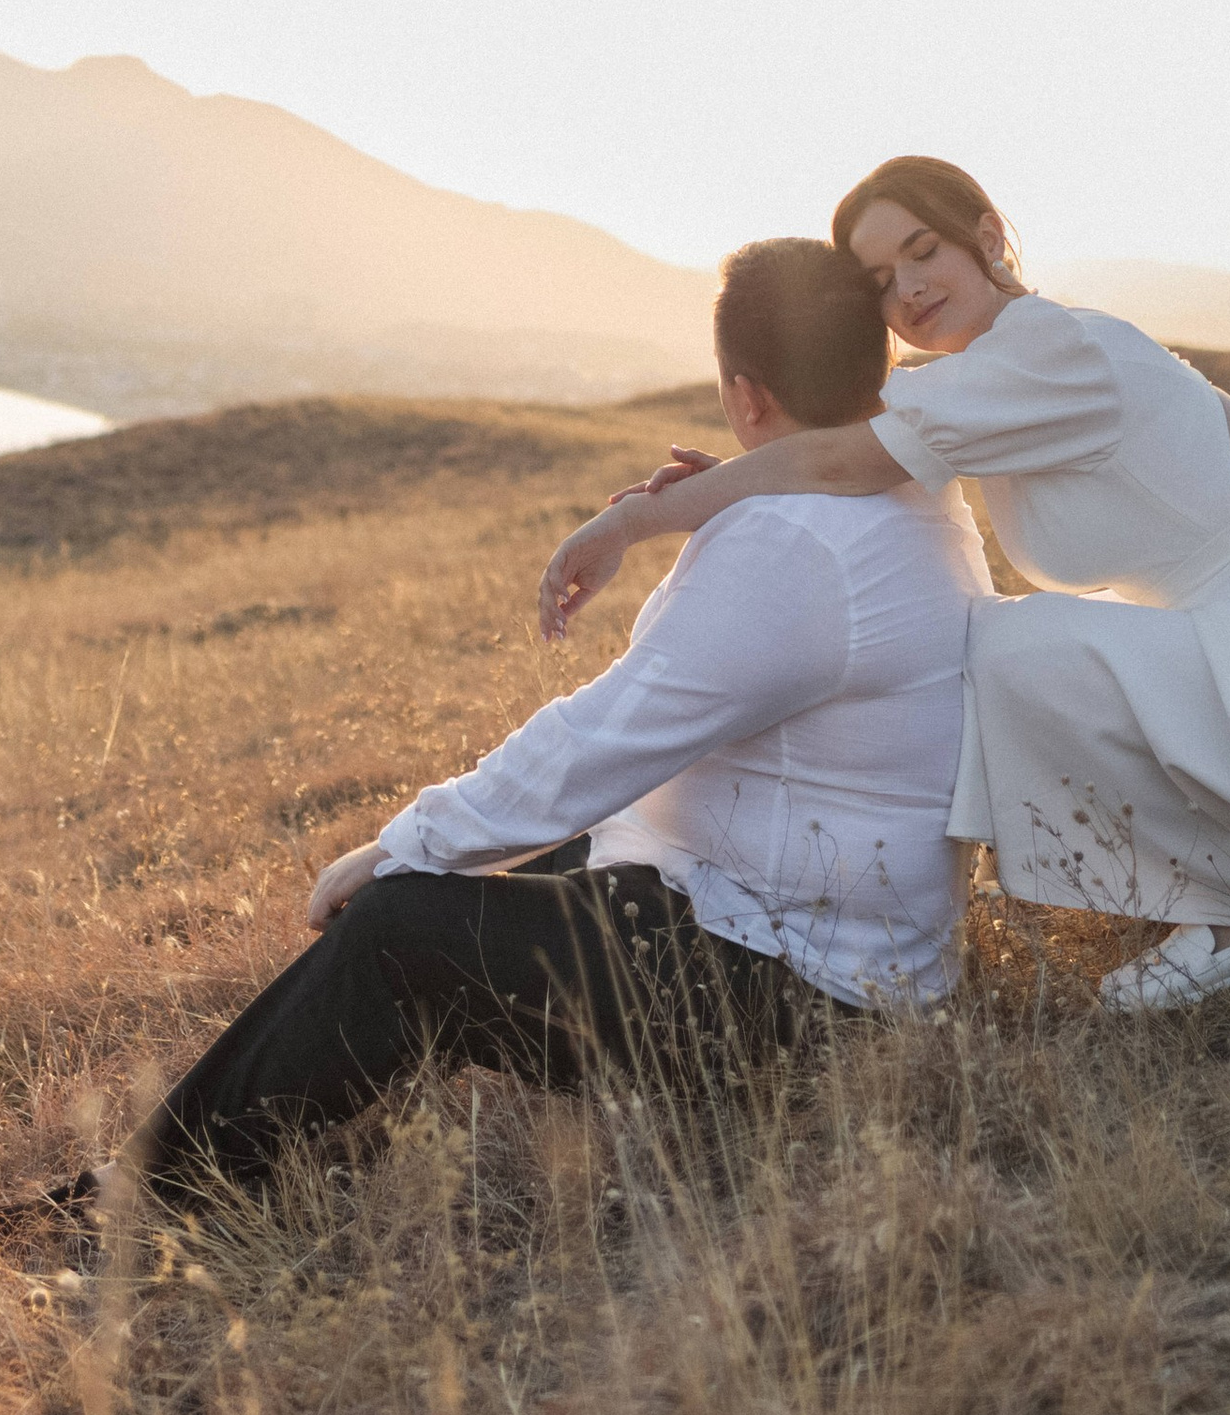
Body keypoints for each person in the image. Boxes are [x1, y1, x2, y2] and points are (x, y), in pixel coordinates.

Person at [540, 157, 1230, 1011]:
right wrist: (732, 480)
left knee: (1011, 649)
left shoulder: (1050, 351)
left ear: (987, 235)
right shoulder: (989, 377)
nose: (909, 290)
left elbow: (840, 457)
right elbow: (834, 445)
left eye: (924, 250)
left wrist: (638, 520)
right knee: (1024, 648)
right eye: (882, 282)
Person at [123, 236, 989, 1201]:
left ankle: (154, 1190)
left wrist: (401, 841)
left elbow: (602, 740)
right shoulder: (910, 494)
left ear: (745, 395)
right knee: (503, 880)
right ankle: (265, 1119)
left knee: (400, 918)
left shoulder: (794, 545)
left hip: (794, 1000)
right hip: (828, 947)